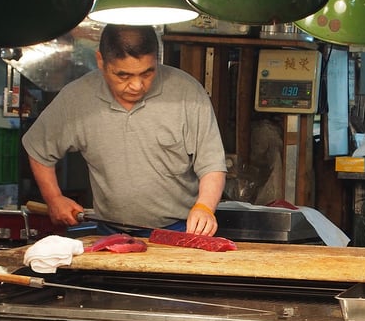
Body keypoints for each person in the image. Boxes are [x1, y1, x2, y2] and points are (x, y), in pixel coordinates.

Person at [22, 24, 227, 237]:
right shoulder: (77, 98)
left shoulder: (187, 92)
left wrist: (204, 207)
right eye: (123, 76)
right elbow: (38, 149)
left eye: (147, 73)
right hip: (109, 232)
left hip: (178, 230)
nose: (137, 85)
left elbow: (211, 163)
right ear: (101, 61)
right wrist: (54, 198)